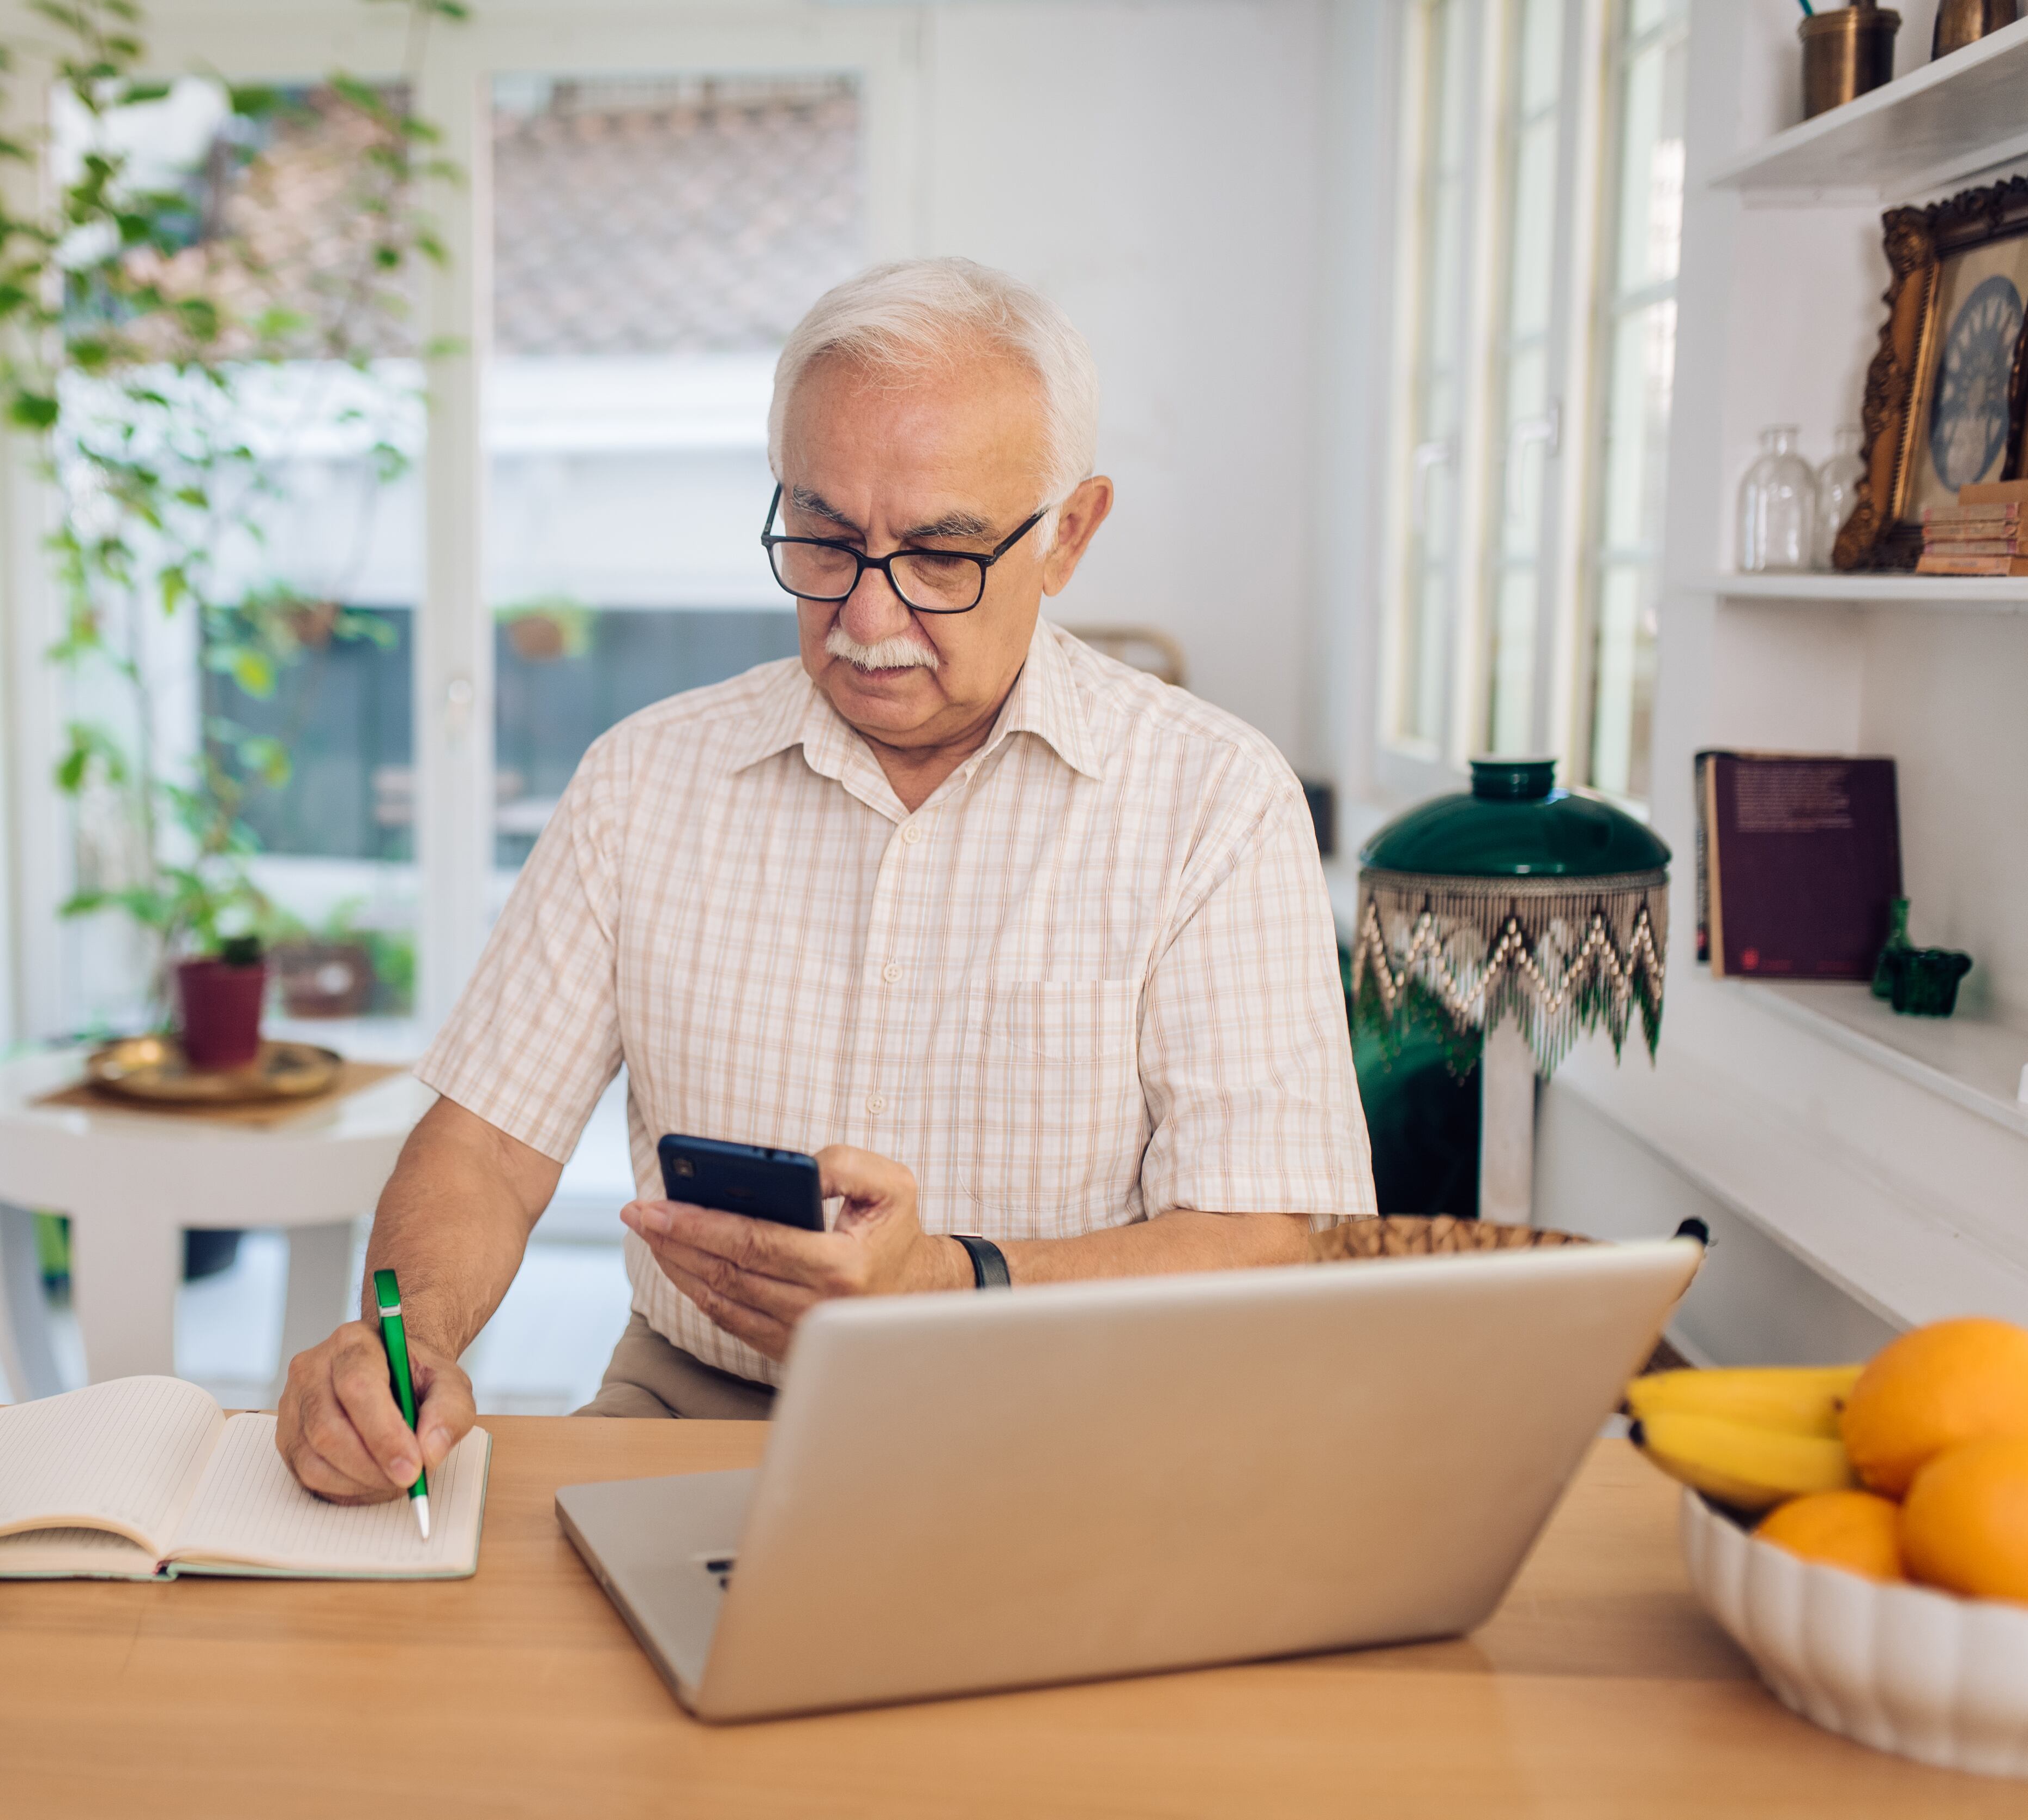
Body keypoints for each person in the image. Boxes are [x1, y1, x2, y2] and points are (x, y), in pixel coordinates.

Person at [276, 256, 1374, 1505]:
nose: (867, 614)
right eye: (824, 539)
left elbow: (1270, 1244)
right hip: (703, 1402)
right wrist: (400, 1348)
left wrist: (948, 1285)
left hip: (1080, 1420)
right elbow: (484, 1149)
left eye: (941, 556)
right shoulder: (642, 780)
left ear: (1068, 532)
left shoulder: (1212, 802)